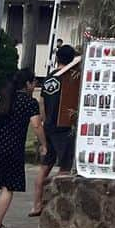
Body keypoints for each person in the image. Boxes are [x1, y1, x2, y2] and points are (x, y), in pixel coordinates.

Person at [0, 69, 45, 228]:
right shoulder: (29, 102)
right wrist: (44, 144)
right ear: (27, 83)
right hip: (12, 148)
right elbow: (36, 125)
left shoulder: (4, 98)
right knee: (8, 186)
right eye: (34, 82)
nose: (34, 85)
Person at [30, 45, 79, 217]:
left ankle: (36, 205)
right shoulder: (69, 79)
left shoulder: (49, 78)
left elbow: (42, 102)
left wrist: (45, 121)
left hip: (49, 126)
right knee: (64, 168)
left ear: (57, 58)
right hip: (63, 127)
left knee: (44, 167)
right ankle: (56, 203)